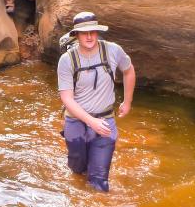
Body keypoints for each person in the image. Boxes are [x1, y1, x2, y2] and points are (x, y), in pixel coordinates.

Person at [57, 11, 136, 192]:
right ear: (76, 35)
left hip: (105, 120)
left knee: (99, 181)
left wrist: (127, 101)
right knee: (78, 170)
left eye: (93, 31)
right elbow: (66, 98)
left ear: (97, 32)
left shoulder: (113, 50)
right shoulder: (66, 60)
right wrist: (91, 121)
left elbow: (129, 70)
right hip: (76, 121)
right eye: (84, 32)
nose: (90, 36)